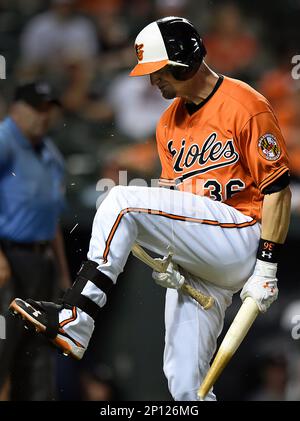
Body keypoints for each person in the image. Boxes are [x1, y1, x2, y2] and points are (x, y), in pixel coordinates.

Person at [10, 17, 291, 401]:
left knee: (121, 200)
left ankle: (77, 316)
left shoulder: (246, 104)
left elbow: (277, 190)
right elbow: (175, 202)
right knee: (185, 386)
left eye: (157, 71)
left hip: (243, 234)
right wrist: (175, 260)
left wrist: (267, 267)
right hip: (204, 252)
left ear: (182, 60)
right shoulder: (168, 122)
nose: (151, 81)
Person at [0, 81, 71, 400]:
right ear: (16, 109)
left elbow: (51, 217)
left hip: (41, 263)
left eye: (48, 109)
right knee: (3, 349)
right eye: (36, 108)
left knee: (40, 352)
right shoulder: (5, 140)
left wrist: (63, 270)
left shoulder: (50, 152)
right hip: (9, 259)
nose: (43, 116)